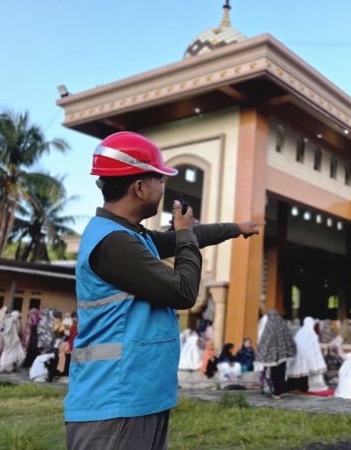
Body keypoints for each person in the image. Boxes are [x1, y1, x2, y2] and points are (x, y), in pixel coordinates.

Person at [64, 131, 261, 449]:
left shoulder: (129, 235)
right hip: (115, 400)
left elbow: (182, 237)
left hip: (137, 395)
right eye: (158, 178)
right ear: (139, 187)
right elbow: (182, 292)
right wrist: (185, 235)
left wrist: (235, 229)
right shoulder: (114, 243)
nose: (163, 185)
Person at [256, 310, 297, 399]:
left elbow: (264, 340)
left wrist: (263, 353)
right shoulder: (282, 325)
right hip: (283, 354)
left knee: (274, 373)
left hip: (272, 355)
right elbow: (289, 339)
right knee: (281, 373)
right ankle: (280, 391)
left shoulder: (269, 326)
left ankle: (276, 392)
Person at [288, 317, 328, 392]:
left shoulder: (299, 332)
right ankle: (306, 387)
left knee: (299, 372)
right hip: (309, 356)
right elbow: (315, 347)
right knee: (308, 373)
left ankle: (296, 387)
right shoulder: (311, 333)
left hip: (299, 356)